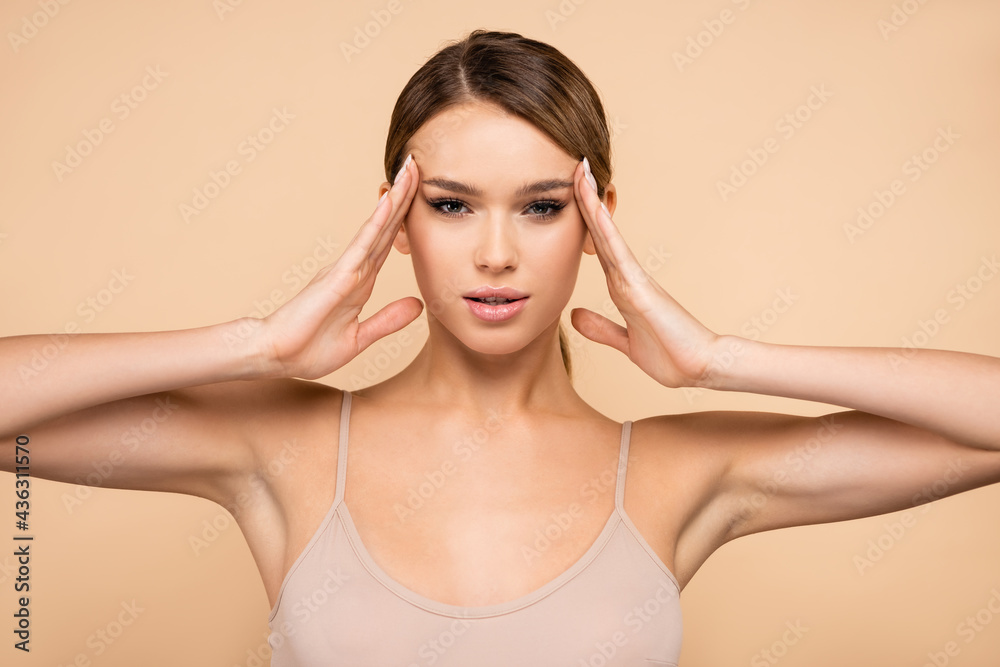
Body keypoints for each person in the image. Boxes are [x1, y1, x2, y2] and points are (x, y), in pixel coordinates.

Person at [2, 29, 999, 666]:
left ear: (598, 218)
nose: (493, 253)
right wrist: (256, 345)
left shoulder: (676, 469)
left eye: (539, 206)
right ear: (396, 221)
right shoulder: (284, 446)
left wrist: (720, 361)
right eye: (448, 205)